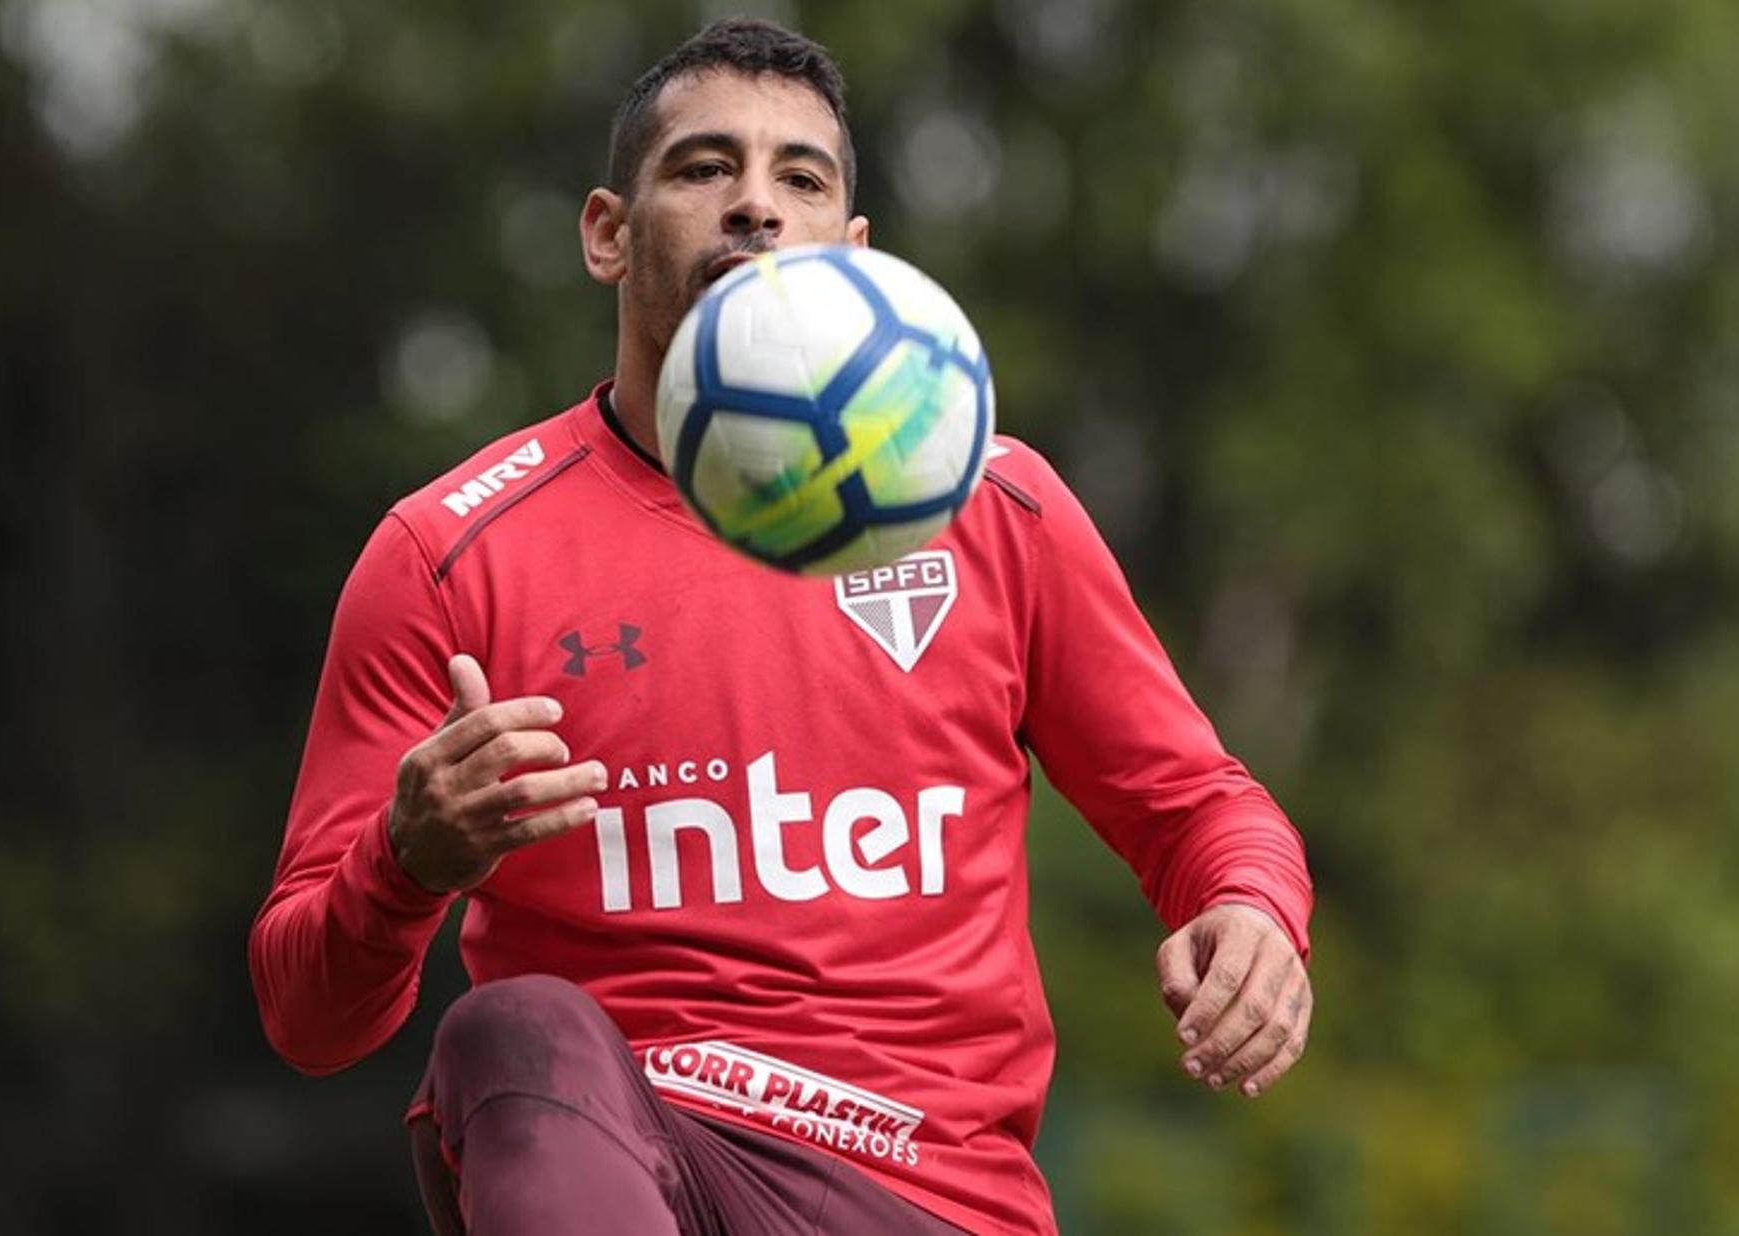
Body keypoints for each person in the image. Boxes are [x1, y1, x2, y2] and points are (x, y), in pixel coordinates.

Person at [249, 17, 1314, 1235]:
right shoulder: (448, 557)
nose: (755, 206)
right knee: (510, 1030)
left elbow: (1198, 808)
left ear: (853, 250)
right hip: (641, 1163)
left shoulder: (989, 503)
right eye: (706, 169)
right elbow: (308, 1016)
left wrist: (1253, 910)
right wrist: (404, 862)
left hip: (928, 1202)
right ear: (609, 234)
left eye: (798, 178)